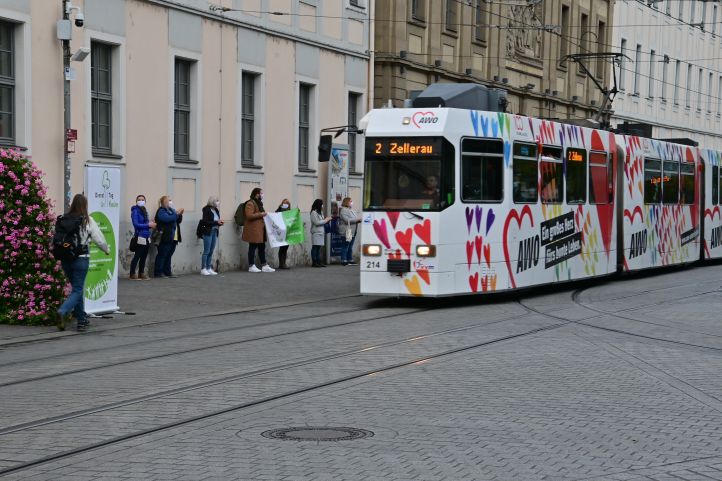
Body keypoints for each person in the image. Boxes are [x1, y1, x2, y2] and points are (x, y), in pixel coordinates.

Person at [56, 194, 110, 332]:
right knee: (78, 289)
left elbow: (56, 237)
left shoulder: (62, 218)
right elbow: (99, 238)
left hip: (65, 258)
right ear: (84, 205)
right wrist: (106, 250)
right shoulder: (87, 220)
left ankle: (81, 320)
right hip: (81, 258)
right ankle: (63, 310)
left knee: (76, 288)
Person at [242, 187, 275, 273]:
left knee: (261, 247)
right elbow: (249, 215)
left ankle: (264, 265)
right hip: (254, 230)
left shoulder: (259, 203)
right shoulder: (250, 203)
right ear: (257, 194)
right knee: (252, 247)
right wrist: (261, 214)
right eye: (261, 193)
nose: (262, 195)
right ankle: (251, 265)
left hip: (260, 230)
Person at [153, 195, 184, 278]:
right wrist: (176, 214)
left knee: (169, 254)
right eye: (167, 201)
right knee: (162, 254)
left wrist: (180, 214)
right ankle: (158, 272)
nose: (169, 202)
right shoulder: (161, 211)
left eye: (170, 200)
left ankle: (167, 272)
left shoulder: (171, 210)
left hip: (173, 237)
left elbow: (178, 220)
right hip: (165, 237)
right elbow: (167, 219)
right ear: (163, 203)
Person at [129, 194, 156, 280]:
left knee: (144, 256)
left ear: (145, 201)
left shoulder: (144, 210)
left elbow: (146, 223)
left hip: (146, 236)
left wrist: (151, 224)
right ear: (136, 201)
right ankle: (132, 274)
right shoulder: (135, 211)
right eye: (139, 199)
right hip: (140, 236)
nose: (141, 201)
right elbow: (136, 224)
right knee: (137, 255)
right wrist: (148, 224)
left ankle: (141, 273)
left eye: (142, 199)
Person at [200, 196, 224, 275]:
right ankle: (203, 268)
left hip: (214, 231)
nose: (218, 202)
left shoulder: (216, 210)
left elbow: (216, 220)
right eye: (216, 201)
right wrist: (216, 222)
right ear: (212, 201)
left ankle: (208, 267)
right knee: (206, 251)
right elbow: (205, 222)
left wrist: (220, 223)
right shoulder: (206, 209)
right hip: (208, 231)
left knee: (211, 250)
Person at [338, 197, 361, 266]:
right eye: (350, 201)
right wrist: (357, 220)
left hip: (353, 231)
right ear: (347, 202)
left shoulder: (351, 210)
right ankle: (343, 259)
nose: (352, 202)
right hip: (347, 231)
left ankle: (349, 259)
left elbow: (355, 218)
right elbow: (346, 220)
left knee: (350, 246)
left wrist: (358, 220)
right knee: (345, 245)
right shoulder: (343, 210)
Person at [310, 199, 332, 267]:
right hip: (316, 232)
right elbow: (317, 222)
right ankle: (314, 262)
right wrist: (326, 220)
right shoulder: (313, 212)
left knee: (319, 248)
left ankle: (319, 261)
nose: (323, 205)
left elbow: (322, 220)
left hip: (321, 231)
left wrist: (326, 220)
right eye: (322, 204)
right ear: (318, 204)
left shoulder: (320, 212)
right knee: (315, 247)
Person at [275, 198, 292, 269]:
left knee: (285, 248)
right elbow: (275, 216)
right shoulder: (279, 210)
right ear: (282, 204)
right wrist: (280, 208)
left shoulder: (290, 211)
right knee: (281, 248)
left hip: (287, 232)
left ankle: (283, 263)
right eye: (284, 203)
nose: (286, 205)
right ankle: (281, 264)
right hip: (281, 232)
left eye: (287, 204)